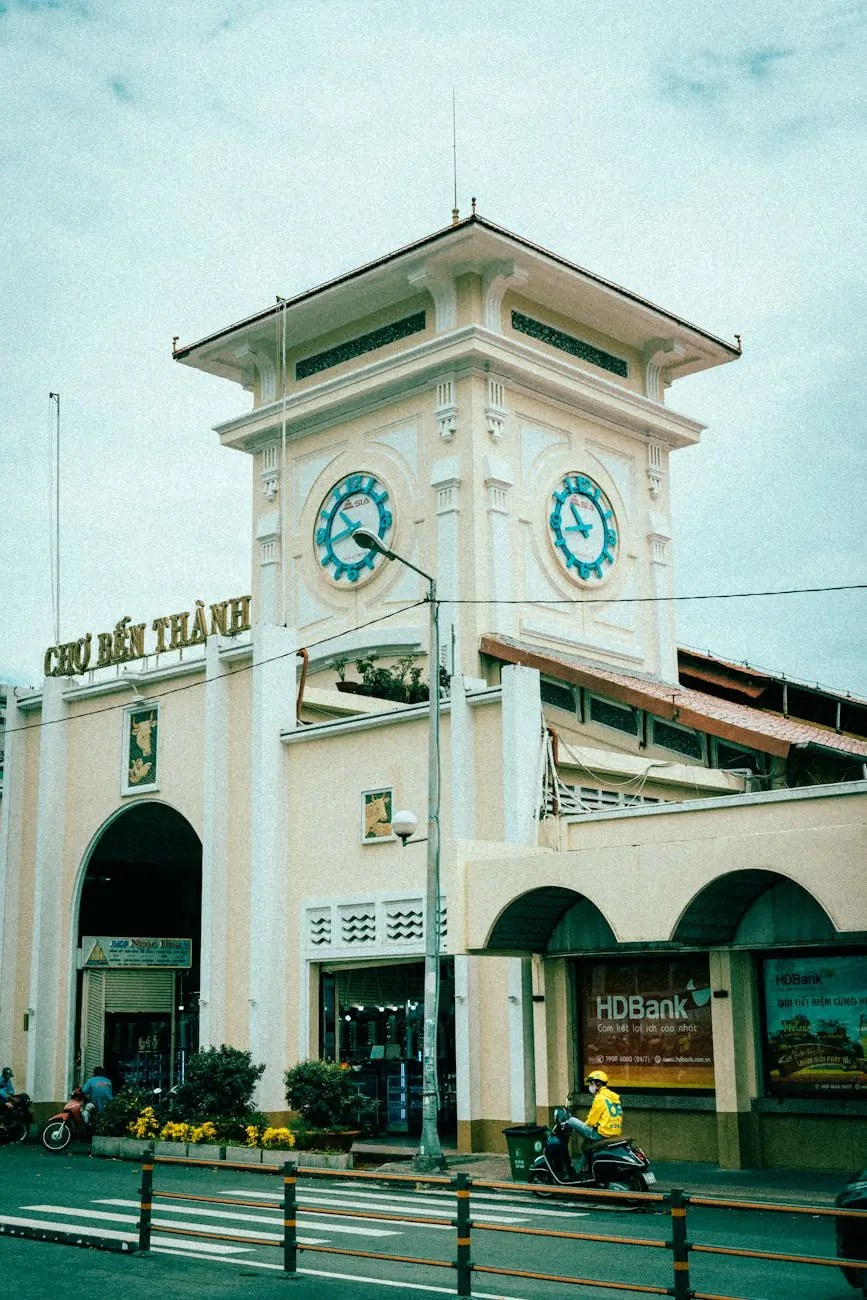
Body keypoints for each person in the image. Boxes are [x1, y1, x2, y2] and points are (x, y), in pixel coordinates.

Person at [562, 1068, 623, 1171]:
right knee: (588, 1145)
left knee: (572, 1120)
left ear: (598, 1084)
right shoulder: (614, 1097)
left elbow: (590, 1121)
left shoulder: (600, 1098)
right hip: (615, 1132)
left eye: (592, 1083)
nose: (590, 1086)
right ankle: (579, 1170)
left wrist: (578, 1127)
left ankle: (577, 1170)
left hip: (602, 1134)